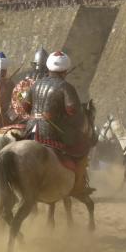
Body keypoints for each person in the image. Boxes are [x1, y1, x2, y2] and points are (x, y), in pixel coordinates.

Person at [23, 51, 91, 197]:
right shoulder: (66, 87)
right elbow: (72, 110)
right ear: (65, 70)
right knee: (82, 148)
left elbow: (25, 107)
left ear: (48, 67)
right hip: (51, 132)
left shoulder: (36, 84)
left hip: (30, 129)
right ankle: (78, 186)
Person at [11, 48, 49, 123]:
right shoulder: (47, 83)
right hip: (36, 118)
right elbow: (18, 97)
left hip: (23, 116)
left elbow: (18, 97)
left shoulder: (24, 82)